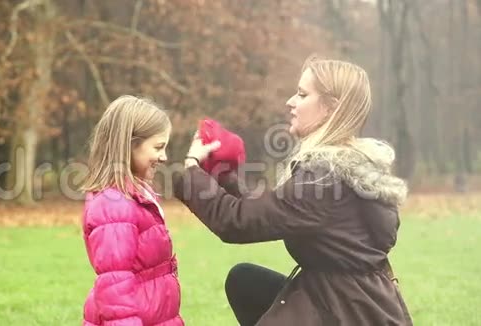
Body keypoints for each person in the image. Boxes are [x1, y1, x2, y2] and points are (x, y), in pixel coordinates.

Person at [173, 57, 413, 325]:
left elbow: (238, 223)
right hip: (355, 304)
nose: (290, 102)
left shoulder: (323, 179)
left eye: (302, 94)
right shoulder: (342, 168)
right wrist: (223, 176)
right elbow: (273, 209)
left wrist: (191, 170)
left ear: (330, 108)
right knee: (246, 282)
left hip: (345, 312)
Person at [80, 95, 184, 326]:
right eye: (158, 147)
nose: (164, 157)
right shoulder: (113, 205)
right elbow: (114, 283)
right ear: (130, 144)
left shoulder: (137, 195)